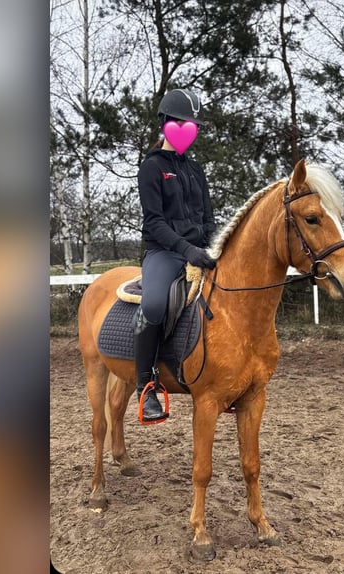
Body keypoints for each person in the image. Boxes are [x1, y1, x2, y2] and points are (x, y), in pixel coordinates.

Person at [134, 88, 217, 423]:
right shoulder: (152, 168)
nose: (189, 131)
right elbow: (154, 222)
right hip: (165, 252)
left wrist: (214, 247)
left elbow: (209, 217)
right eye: (183, 123)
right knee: (154, 304)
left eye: (192, 126)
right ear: (167, 123)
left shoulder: (196, 171)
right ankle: (146, 384)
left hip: (200, 250)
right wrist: (186, 249)